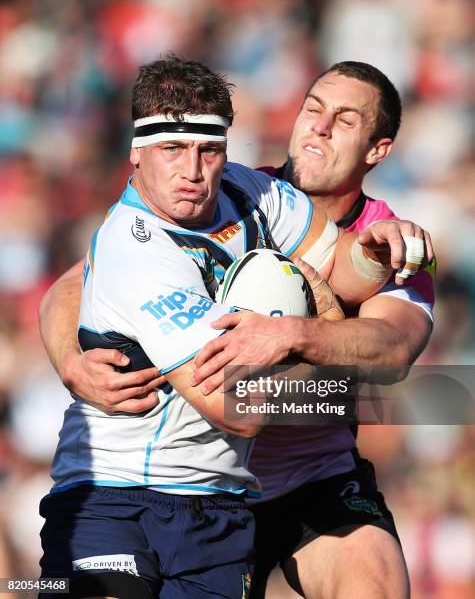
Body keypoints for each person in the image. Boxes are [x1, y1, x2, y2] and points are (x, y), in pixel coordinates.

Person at [39, 58, 433, 599]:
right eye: (313, 109)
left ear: (377, 149)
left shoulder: (396, 242)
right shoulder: (237, 188)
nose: (318, 126)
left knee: (376, 587)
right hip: (153, 481)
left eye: (344, 119)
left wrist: (296, 333)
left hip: (300, 477)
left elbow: (393, 351)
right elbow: (74, 283)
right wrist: (70, 359)